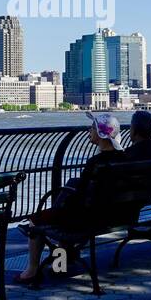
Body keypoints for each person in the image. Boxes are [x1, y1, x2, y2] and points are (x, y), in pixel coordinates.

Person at [14, 112, 125, 285]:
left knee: (35, 221)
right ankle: (60, 266)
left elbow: (79, 196)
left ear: (101, 134)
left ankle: (32, 270)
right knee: (65, 214)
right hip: (112, 215)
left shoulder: (96, 163)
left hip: (88, 219)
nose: (89, 130)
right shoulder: (123, 160)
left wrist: (61, 206)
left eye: (93, 128)